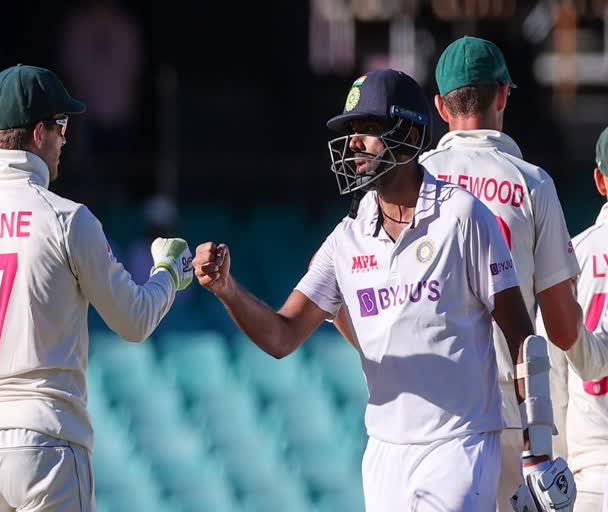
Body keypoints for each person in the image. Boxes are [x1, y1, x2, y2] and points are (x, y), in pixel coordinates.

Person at [193, 68, 573, 511]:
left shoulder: (463, 216)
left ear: (409, 133)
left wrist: (538, 449)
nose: (353, 143)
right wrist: (227, 290)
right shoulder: (345, 240)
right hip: (385, 452)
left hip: (459, 443)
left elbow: (521, 336)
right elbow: (282, 335)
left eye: (368, 130)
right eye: (351, 131)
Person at [0, 64, 193, 512]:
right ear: (40, 132)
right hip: (48, 442)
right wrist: (168, 273)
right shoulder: (67, 219)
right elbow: (135, 321)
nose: (66, 139)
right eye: (62, 126)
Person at [415, 35, 586, 511]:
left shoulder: (413, 183)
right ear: (503, 95)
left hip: (434, 416)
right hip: (517, 412)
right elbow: (563, 329)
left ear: (440, 106)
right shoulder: (532, 182)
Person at [538, 126, 608, 511]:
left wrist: (558, 466)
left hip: (587, 476)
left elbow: (549, 381)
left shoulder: (570, 259)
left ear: (599, 180)